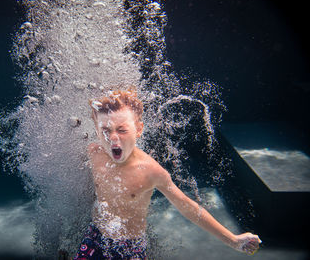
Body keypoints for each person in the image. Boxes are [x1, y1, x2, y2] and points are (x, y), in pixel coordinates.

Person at [73, 88, 261, 259]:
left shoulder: (151, 171)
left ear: (138, 129)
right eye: (105, 130)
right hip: (95, 236)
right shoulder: (94, 153)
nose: (113, 137)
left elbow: (190, 209)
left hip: (129, 248)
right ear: (97, 131)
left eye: (122, 130)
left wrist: (233, 240)